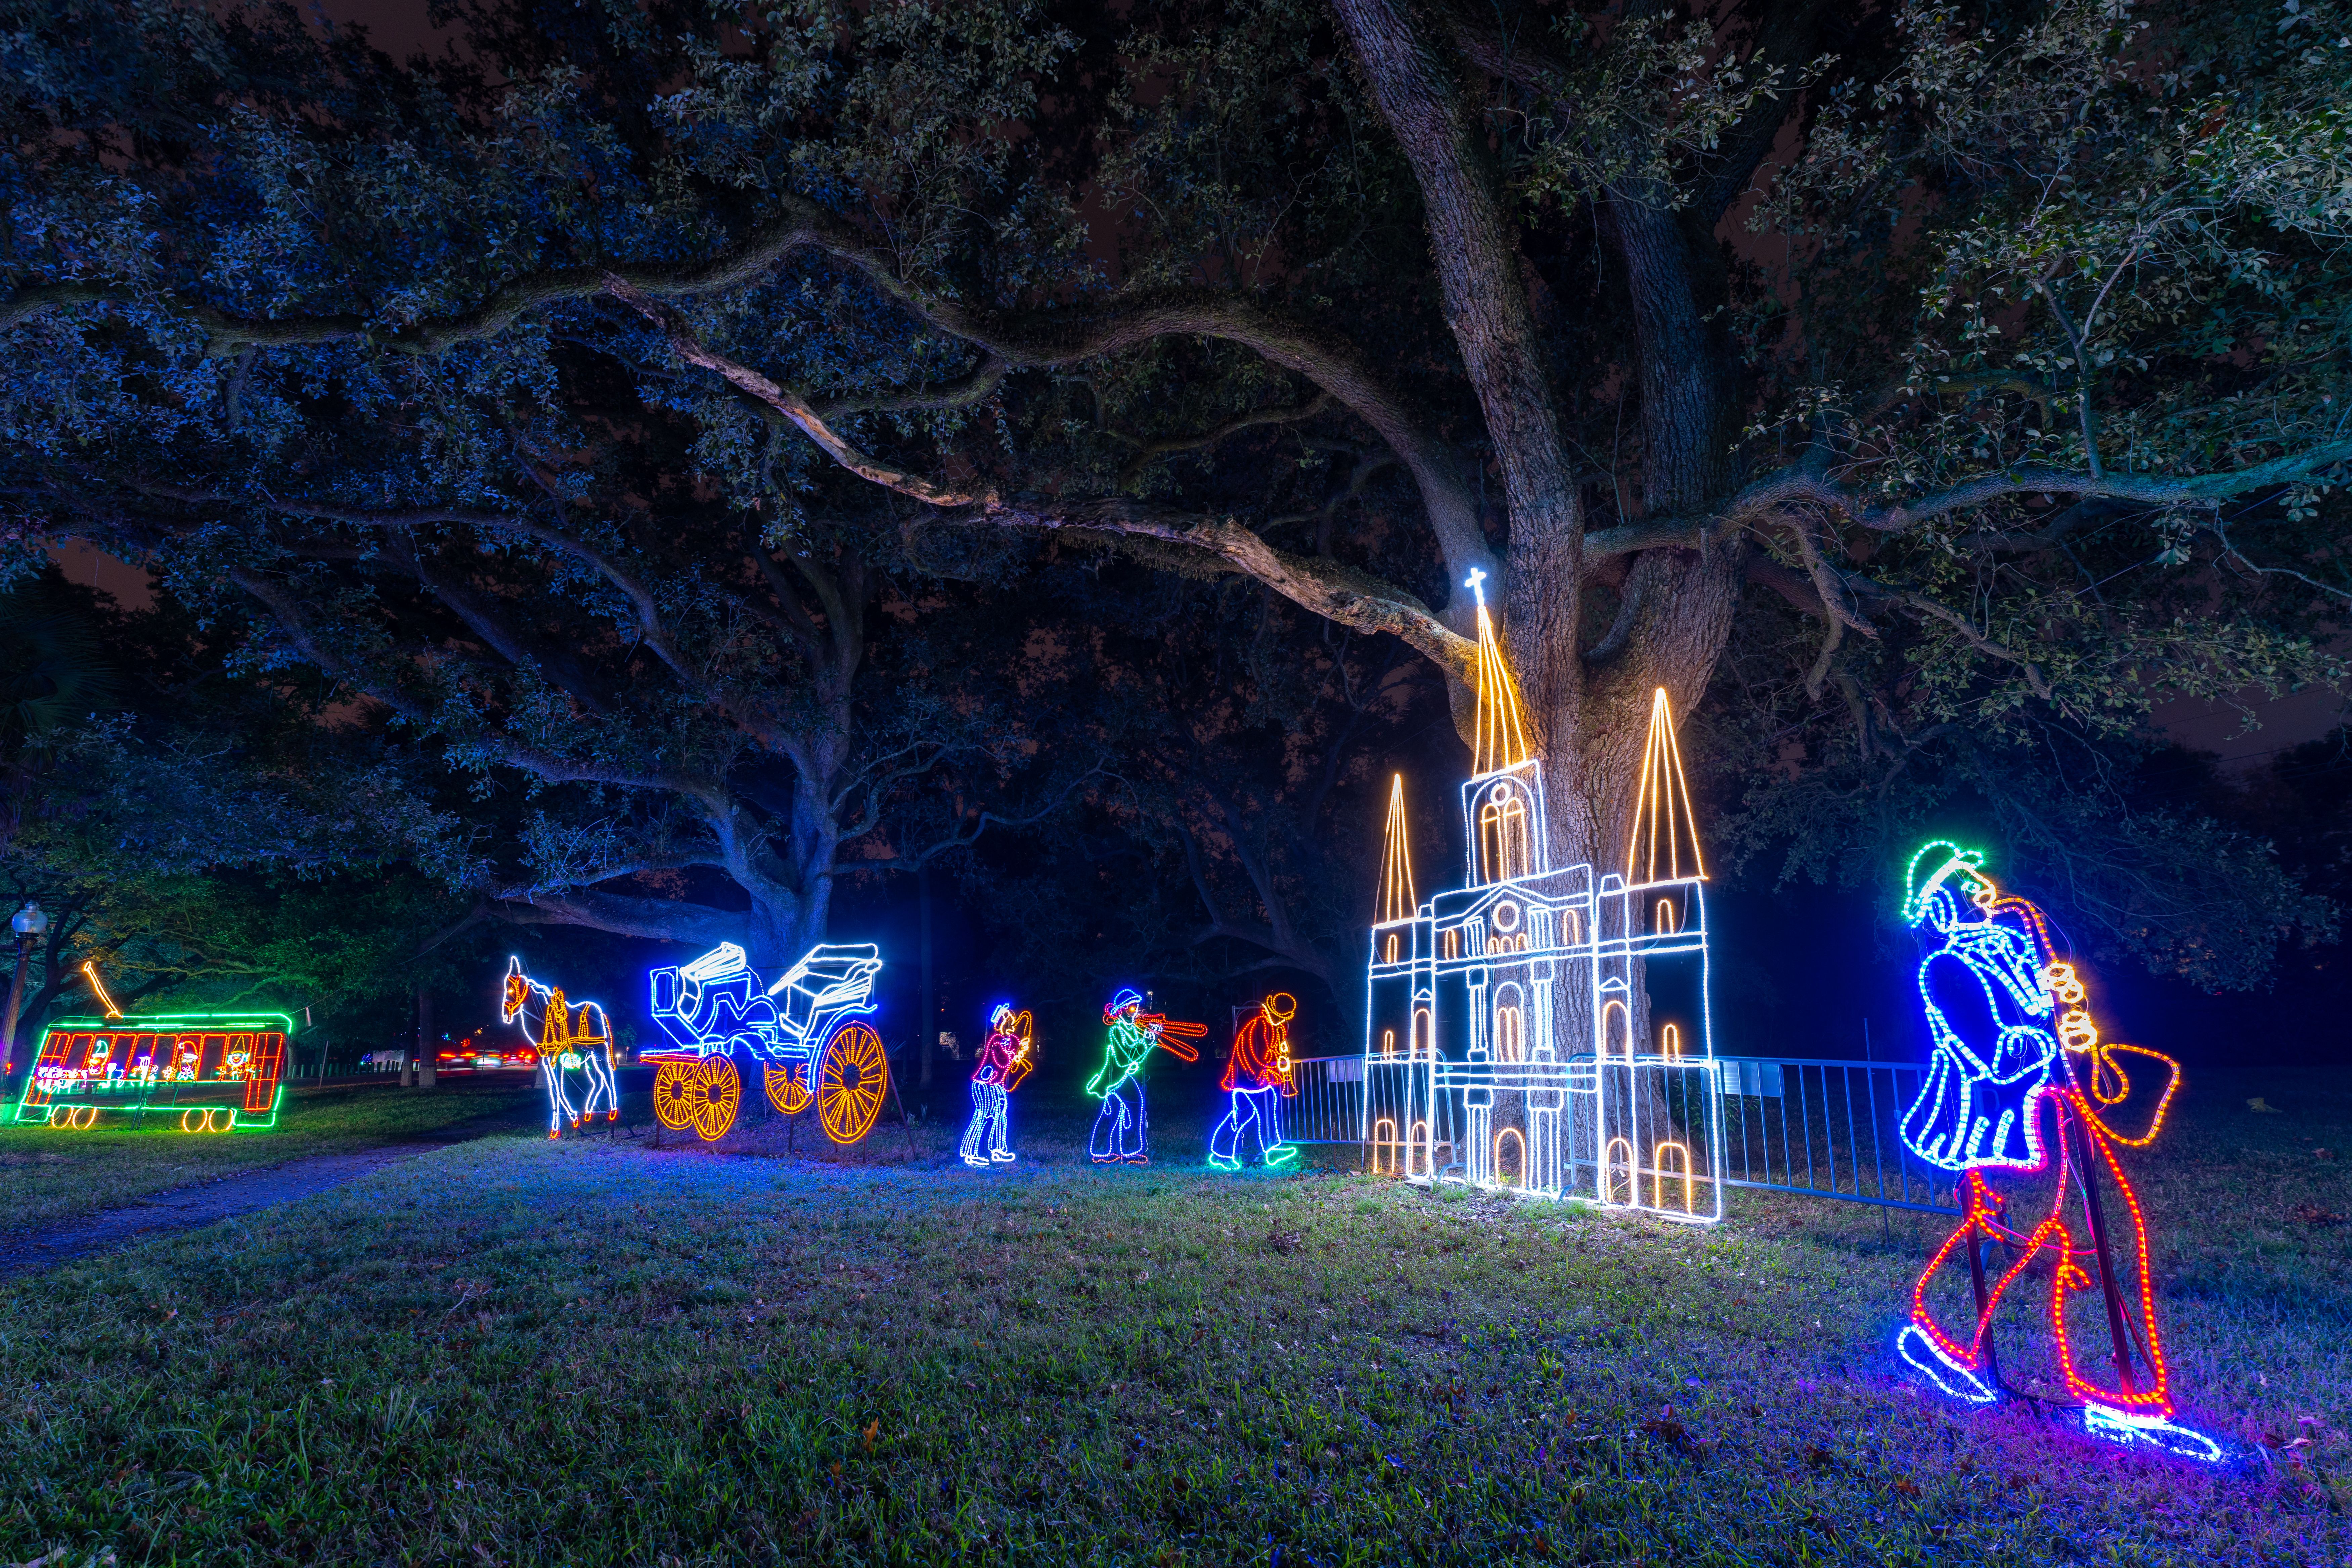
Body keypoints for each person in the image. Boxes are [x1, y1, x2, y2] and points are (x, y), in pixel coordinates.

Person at [1893, 842, 2219, 1462]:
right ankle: (2086, 1387)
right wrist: (2050, 1032)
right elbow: (1994, 1052)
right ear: (1942, 906)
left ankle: (2120, 1392)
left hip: (2053, 1113)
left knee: (2082, 1233)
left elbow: (2043, 1024)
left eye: (1982, 888)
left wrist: (2064, 1010)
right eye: (1969, 890)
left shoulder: (2011, 955)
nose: (1986, 898)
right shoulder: (1945, 969)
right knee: (2040, 1240)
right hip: (2004, 1128)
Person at [1085, 988, 1203, 1164]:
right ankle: (1119, 1151)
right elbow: (1125, 1058)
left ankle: (1113, 1151)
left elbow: (1137, 1052)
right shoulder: (1116, 1031)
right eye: (1132, 1008)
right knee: (1128, 1108)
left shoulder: (1131, 1029)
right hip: (1115, 1079)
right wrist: (1147, 1043)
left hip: (1123, 1077)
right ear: (1122, 1010)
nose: (1136, 1011)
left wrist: (1152, 1038)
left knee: (1120, 1111)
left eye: (1137, 1008)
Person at [1208, 992, 1299, 1170]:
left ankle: (1272, 1149)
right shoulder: (1257, 1025)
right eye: (1278, 1017)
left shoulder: (1277, 1028)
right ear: (1269, 1011)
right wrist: (1261, 1070)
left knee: (1267, 1107)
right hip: (1246, 1078)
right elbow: (1248, 1052)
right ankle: (1221, 1153)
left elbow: (1274, 1053)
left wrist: (1275, 1069)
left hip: (1260, 1078)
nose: (1280, 1021)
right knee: (1243, 1115)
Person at [960, 1004, 1033, 1169]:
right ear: (999, 1022)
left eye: (1012, 1023)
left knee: (1001, 1113)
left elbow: (1012, 1065)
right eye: (1007, 1022)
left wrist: (1019, 1052)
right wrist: (1015, 1052)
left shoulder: (1011, 1041)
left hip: (997, 1085)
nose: (1010, 1026)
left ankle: (998, 1150)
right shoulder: (995, 1041)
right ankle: (970, 1153)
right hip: (983, 1084)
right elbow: (1001, 1061)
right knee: (983, 1114)